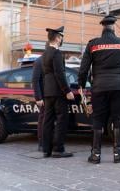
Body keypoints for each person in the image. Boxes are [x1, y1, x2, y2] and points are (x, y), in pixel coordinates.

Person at [78, 15, 120, 164]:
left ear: (102, 27)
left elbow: (83, 68)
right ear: (113, 27)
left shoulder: (93, 44)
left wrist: (81, 85)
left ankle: (95, 155)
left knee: (98, 120)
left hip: (99, 88)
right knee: (118, 120)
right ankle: (118, 154)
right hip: (119, 87)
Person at [42, 26, 75, 158]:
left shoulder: (45, 53)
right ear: (57, 38)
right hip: (57, 91)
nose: (61, 40)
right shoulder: (56, 53)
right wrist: (67, 90)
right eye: (61, 37)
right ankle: (58, 149)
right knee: (62, 119)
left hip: (47, 91)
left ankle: (46, 149)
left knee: (48, 120)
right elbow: (59, 74)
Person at [32, 54, 45, 152]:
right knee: (43, 119)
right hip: (43, 97)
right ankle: (41, 143)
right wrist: (38, 98)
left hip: (49, 95)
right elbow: (35, 80)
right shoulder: (40, 61)